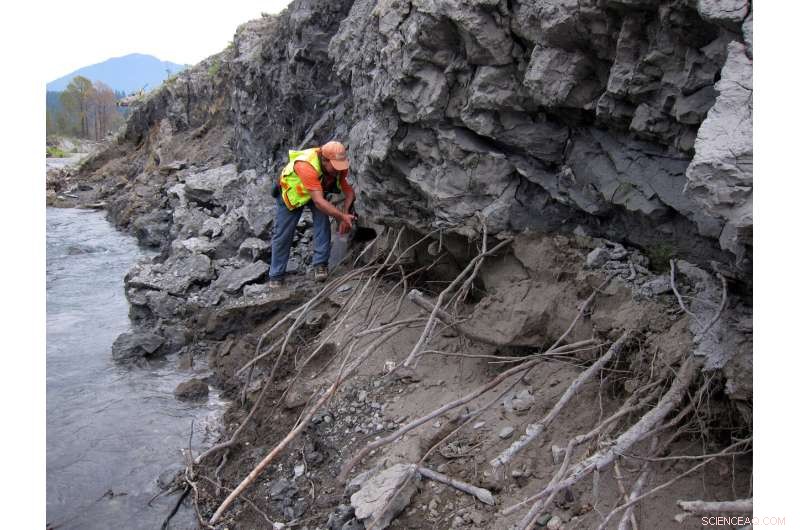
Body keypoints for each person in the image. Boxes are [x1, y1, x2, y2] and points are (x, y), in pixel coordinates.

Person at [268, 140, 357, 287]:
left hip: (317, 189)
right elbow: (318, 202)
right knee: (283, 234)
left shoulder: (339, 164)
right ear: (324, 160)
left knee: (322, 221)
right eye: (334, 167)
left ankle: (320, 265)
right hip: (292, 193)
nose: (338, 170)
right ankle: (276, 276)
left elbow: (348, 192)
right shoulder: (306, 166)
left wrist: (345, 214)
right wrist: (341, 216)